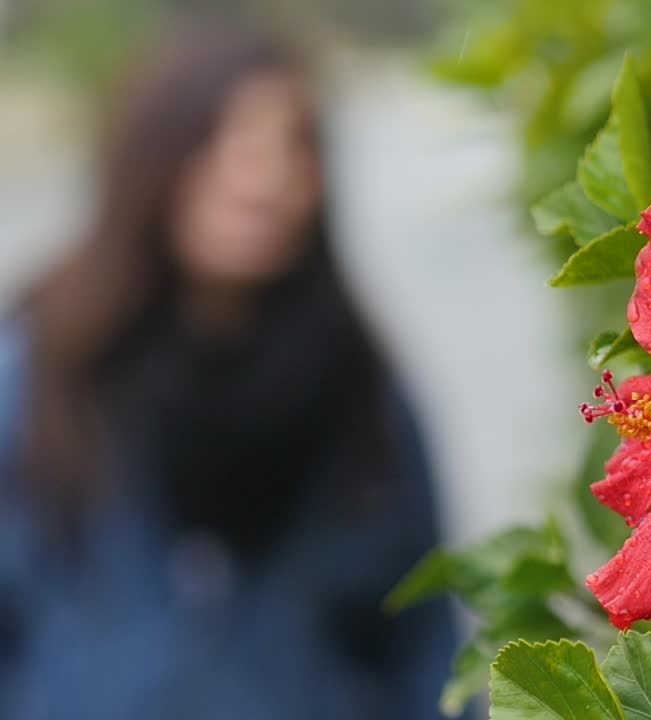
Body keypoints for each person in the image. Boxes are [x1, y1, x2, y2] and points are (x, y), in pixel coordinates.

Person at [0, 20, 455, 720]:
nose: (261, 177)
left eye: (291, 145)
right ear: (154, 159)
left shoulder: (360, 386)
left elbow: (426, 639)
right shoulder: (38, 376)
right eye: (222, 141)